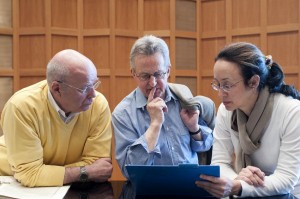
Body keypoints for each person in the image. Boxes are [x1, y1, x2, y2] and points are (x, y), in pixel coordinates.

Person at [195, 42, 300, 198]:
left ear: (253, 82)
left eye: (227, 85)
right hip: (245, 190)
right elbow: (219, 163)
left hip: (287, 194)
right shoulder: (226, 110)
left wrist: (239, 187)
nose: (220, 94)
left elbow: (286, 179)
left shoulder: (292, 111)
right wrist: (237, 181)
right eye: (218, 84)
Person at [0, 49, 113, 187]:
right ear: (57, 88)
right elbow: (30, 174)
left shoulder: (98, 105)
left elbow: (99, 166)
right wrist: (84, 171)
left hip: (68, 187)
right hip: (12, 183)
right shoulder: (21, 107)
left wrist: (47, 173)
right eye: (84, 88)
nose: (93, 94)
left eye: (94, 84)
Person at [112, 35, 216, 179]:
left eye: (158, 74)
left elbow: (205, 146)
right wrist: (155, 124)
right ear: (134, 74)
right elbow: (130, 172)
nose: (153, 83)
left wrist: (194, 129)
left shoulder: (182, 96)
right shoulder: (123, 114)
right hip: (151, 190)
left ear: (168, 70)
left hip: (190, 185)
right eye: (145, 76)